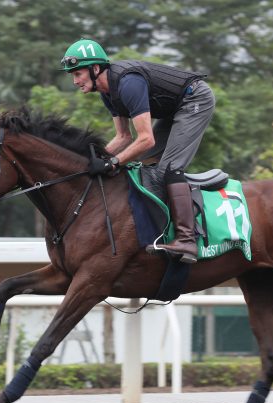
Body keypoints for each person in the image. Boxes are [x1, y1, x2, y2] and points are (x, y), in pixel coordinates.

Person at [61, 38, 216, 264]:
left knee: (170, 168)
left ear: (95, 69)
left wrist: (111, 163)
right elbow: (124, 137)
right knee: (143, 164)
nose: (75, 81)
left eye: (78, 74)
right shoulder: (107, 93)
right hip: (174, 108)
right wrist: (93, 160)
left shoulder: (128, 84)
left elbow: (146, 139)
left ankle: (187, 239)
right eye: (73, 75)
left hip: (195, 99)